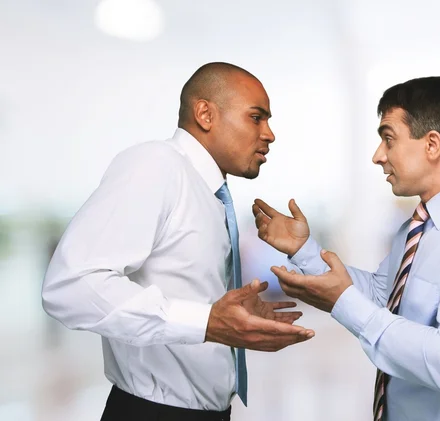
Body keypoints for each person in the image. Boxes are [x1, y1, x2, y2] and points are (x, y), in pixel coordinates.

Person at [253, 76, 440, 421]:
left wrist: (342, 302)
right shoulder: (417, 227)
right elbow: (383, 297)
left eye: (388, 139)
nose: (378, 156)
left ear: (432, 145)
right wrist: (304, 251)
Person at [41, 62, 315, 421]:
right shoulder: (156, 166)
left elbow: (185, 289)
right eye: (256, 117)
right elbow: (70, 285)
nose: (270, 134)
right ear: (205, 113)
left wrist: (225, 316)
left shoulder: (210, 193)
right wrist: (205, 320)